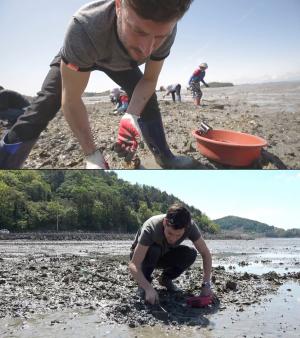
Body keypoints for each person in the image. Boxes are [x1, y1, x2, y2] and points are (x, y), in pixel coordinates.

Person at [0, 0, 198, 169]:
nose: (146, 50)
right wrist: (91, 154)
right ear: (119, 5)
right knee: (45, 104)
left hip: (121, 62)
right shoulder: (84, 27)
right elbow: (71, 100)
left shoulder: (168, 28)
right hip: (86, 49)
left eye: (159, 38)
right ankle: (5, 162)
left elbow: (148, 80)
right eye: (138, 31)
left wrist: (132, 114)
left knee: (148, 100)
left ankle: (165, 157)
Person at [129, 203, 213, 305]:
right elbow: (133, 264)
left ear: (185, 229)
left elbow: (206, 254)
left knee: (190, 253)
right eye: (169, 233)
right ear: (165, 222)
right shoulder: (151, 228)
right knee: (154, 250)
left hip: (164, 254)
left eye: (178, 235)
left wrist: (206, 284)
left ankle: (166, 279)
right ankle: (143, 285)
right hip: (143, 256)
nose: (173, 238)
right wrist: (148, 288)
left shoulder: (190, 226)